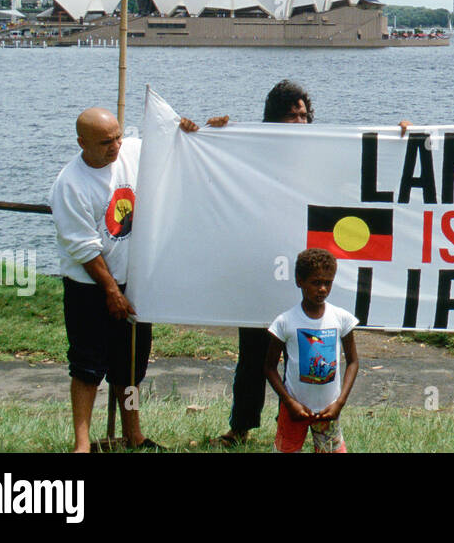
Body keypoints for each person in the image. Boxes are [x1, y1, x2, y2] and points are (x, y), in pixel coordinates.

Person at [51, 105, 199, 452]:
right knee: (87, 366)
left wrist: (194, 127)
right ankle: (83, 443)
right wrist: (109, 291)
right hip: (89, 288)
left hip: (134, 283)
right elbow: (84, 248)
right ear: (82, 143)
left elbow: (173, 145)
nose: (115, 146)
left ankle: (134, 433)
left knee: (130, 368)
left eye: (117, 137)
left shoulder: (131, 150)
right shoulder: (70, 185)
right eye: (105, 142)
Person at [211, 79, 312, 447]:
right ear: (273, 118)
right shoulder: (252, 149)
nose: (299, 122)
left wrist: (402, 139)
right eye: (290, 116)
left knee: (302, 355)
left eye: (303, 115)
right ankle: (240, 426)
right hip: (261, 268)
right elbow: (213, 160)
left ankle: (296, 426)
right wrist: (211, 132)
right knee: (253, 354)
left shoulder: (321, 151)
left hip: (302, 270)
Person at [264, 248, 359, 453]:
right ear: (299, 281)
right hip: (294, 410)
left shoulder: (341, 318)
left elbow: (353, 361)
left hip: (328, 410)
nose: (323, 289)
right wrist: (289, 402)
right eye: (316, 282)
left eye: (328, 282)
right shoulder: (285, 322)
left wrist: (339, 403)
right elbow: (269, 367)